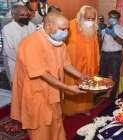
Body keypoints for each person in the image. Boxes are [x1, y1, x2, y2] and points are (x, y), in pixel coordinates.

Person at [10, 12, 86, 140]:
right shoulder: (31, 43)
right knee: (41, 130)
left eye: (67, 29)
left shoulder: (59, 42)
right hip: (36, 94)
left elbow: (66, 64)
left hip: (53, 92)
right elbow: (42, 74)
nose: (66, 32)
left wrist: (82, 76)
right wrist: (67, 87)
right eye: (63, 29)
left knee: (56, 123)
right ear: (49, 26)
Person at [62, 5, 100, 115]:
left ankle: (85, 108)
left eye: (93, 19)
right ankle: (69, 110)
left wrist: (96, 62)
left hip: (89, 64)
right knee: (72, 87)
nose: (90, 21)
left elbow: (96, 47)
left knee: (87, 86)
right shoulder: (70, 25)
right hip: (72, 65)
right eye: (88, 19)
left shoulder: (93, 28)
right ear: (81, 16)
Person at [2, 5, 36, 85]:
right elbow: (9, 51)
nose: (25, 17)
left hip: (30, 61)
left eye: (26, 15)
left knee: (28, 85)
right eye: (22, 15)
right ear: (14, 15)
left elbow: (35, 45)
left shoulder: (32, 26)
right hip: (13, 61)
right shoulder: (7, 29)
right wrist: (24, 61)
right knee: (15, 84)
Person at [100, 10, 123, 101]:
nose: (111, 19)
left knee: (115, 76)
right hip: (104, 54)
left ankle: (112, 97)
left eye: (114, 17)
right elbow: (101, 41)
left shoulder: (121, 29)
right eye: (110, 17)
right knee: (103, 75)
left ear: (118, 19)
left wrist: (113, 35)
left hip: (115, 55)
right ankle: (102, 94)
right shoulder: (105, 28)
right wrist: (99, 32)